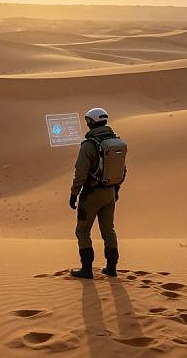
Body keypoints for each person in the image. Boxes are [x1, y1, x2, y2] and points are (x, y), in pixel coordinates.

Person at [69, 107, 120, 279]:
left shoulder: (89, 145)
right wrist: (116, 189)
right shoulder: (115, 142)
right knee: (109, 231)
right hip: (110, 192)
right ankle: (112, 268)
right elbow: (122, 170)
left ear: (90, 122)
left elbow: (80, 173)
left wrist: (74, 194)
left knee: (82, 231)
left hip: (92, 194)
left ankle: (87, 269)